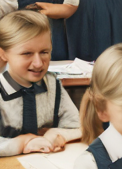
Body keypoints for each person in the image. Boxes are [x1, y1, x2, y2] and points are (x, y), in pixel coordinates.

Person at [0, 10, 81, 157]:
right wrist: (22, 142)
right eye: (27, 53)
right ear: (3, 54)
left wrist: (56, 134)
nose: (38, 63)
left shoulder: (52, 84)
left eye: (44, 52)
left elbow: (79, 127)